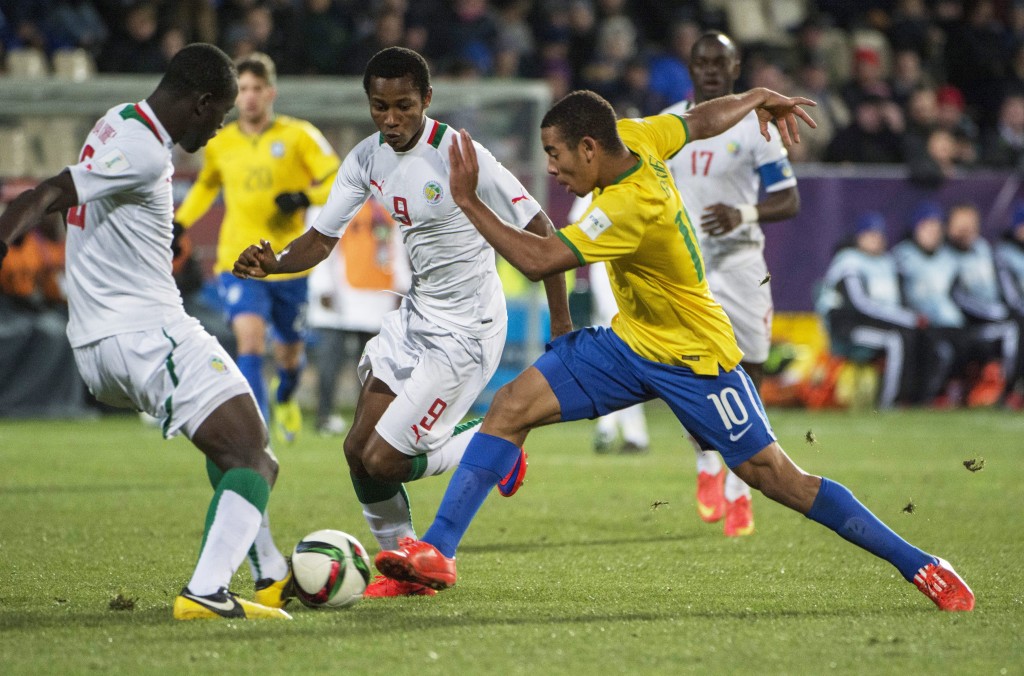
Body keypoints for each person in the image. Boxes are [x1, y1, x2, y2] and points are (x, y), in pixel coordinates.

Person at [374, 87, 975, 613]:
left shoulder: (628, 207)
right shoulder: (635, 136)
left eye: (555, 155)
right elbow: (703, 119)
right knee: (509, 406)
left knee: (775, 478)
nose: (552, 170)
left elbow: (539, 259)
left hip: (695, 358)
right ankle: (436, 556)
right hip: (630, 343)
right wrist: (757, 96)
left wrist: (468, 197)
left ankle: (920, 562)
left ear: (588, 148)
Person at [232, 47, 572, 597]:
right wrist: (275, 263)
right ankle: (402, 559)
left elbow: (543, 231)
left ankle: (492, 445)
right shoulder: (367, 158)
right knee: (357, 452)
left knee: (387, 458)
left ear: (427, 101)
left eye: (404, 107)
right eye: (380, 107)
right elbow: (321, 239)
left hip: (467, 332)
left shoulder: (462, 154)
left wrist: (561, 323)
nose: (391, 119)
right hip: (415, 318)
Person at [0, 43, 291, 621]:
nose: (220, 128)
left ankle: (272, 575)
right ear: (201, 102)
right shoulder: (145, 153)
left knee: (229, 443)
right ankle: (207, 592)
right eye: (222, 114)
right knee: (255, 456)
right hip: (144, 333)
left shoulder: (117, 121)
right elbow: (49, 193)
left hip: (99, 343)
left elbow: (90, 199)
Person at [659, 31, 801, 537]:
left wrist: (742, 212)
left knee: (752, 367)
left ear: (736, 66)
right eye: (704, 62)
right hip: (688, 269)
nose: (713, 69)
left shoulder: (755, 125)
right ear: (691, 66)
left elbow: (789, 199)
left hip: (742, 263)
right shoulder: (671, 124)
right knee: (688, 368)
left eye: (722, 61)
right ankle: (707, 467)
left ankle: (743, 488)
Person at [174, 52, 341, 444]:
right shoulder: (222, 141)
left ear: (271, 92)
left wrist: (304, 197)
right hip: (240, 259)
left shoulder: (299, 135)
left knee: (289, 356)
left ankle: (285, 395)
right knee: (250, 340)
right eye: (242, 90)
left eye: (255, 89)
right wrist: (180, 222)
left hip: (288, 264)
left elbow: (337, 178)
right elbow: (207, 186)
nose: (248, 97)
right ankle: (256, 431)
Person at [816, 211, 941, 408]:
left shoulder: (886, 262)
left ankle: (920, 397)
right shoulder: (849, 262)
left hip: (875, 322)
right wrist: (905, 319)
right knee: (895, 340)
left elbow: (896, 301)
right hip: (848, 327)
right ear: (859, 237)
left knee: (920, 335)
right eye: (870, 235)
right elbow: (860, 304)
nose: (876, 240)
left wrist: (909, 319)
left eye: (879, 235)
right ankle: (890, 401)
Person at [306, 197, 410, 435]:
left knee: (374, 365)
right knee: (330, 361)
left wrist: (401, 286)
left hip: (378, 297)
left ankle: (368, 419)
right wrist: (323, 285)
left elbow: (397, 246)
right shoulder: (336, 200)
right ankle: (324, 415)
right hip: (340, 297)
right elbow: (322, 245)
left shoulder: (390, 204)